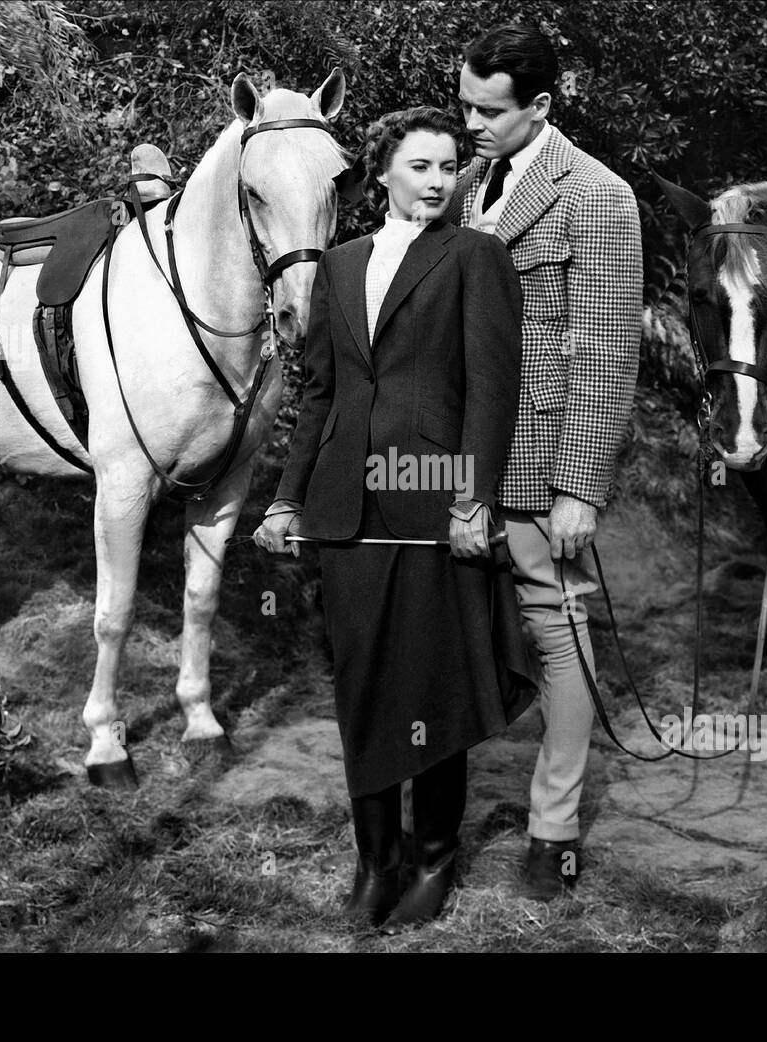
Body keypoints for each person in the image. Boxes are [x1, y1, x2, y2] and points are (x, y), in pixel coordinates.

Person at [254, 106, 533, 932]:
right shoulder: (339, 266)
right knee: (364, 690)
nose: (439, 181)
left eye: (450, 167)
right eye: (421, 166)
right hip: (346, 508)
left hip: (432, 503)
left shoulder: (476, 257)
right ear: (380, 173)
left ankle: (436, 858)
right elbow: (322, 395)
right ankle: (377, 862)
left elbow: (492, 388)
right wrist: (285, 497)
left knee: (433, 684)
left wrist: (474, 500)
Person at [449, 24, 642, 900]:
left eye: (490, 111)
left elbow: (604, 349)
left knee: (558, 633)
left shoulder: (597, 195)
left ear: (543, 106)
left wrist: (579, 486)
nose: (472, 124)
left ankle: (553, 833)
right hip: (453, 455)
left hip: (536, 454)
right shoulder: (461, 183)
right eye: (464, 106)